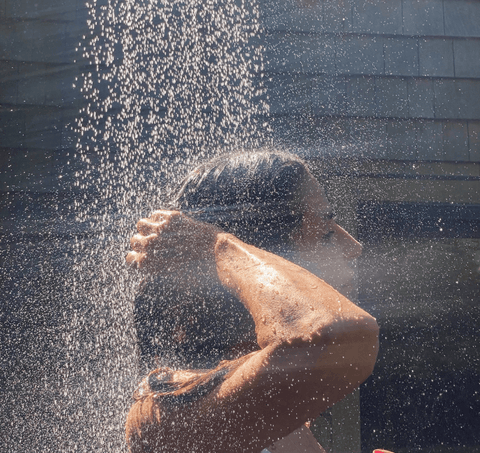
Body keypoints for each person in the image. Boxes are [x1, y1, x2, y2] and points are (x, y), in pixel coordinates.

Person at [125, 151, 379, 453]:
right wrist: (214, 246)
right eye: (324, 232)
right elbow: (340, 337)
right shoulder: (164, 410)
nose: (354, 246)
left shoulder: (271, 416)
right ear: (260, 261)